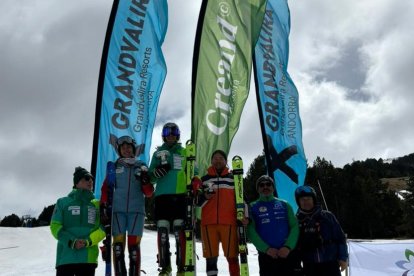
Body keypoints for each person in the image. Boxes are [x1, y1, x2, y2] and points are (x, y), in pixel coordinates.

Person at [100, 135, 153, 276]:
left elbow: (148, 193)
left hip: (136, 211)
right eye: (123, 148)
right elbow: (106, 188)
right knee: (118, 247)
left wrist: (145, 180)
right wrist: (103, 205)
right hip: (118, 211)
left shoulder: (141, 166)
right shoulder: (114, 166)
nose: (126, 149)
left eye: (129, 147)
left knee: (134, 248)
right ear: (119, 150)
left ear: (133, 149)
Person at [148, 122, 188, 276]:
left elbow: (194, 171)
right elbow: (150, 178)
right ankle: (165, 267)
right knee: (163, 231)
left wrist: (196, 181)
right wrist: (155, 173)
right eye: (167, 131)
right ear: (163, 135)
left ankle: (181, 267)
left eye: (174, 131)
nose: (170, 134)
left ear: (177, 134)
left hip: (180, 195)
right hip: (162, 196)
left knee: (179, 230)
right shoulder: (158, 153)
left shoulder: (185, 151)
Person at [50, 166, 106, 276]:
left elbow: (102, 229)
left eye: (91, 179)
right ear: (77, 183)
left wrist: (87, 241)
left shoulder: (97, 204)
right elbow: (55, 226)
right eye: (86, 178)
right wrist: (72, 242)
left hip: (88, 259)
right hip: (65, 259)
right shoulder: (62, 202)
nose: (90, 181)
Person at [196, 149, 240, 276]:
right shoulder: (204, 180)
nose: (218, 160)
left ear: (226, 161)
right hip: (208, 224)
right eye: (215, 158)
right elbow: (197, 202)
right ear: (211, 161)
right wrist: (206, 197)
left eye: (221, 158)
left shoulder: (233, 179)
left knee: (232, 257)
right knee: (211, 258)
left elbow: (242, 200)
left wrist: (245, 217)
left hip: (229, 223)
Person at [247, 175, 299, 276]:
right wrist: (266, 249)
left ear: (273, 187)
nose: (265, 187)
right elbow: (250, 230)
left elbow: (294, 226)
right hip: (266, 255)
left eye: (268, 184)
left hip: (287, 254)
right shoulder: (252, 207)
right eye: (261, 185)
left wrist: (287, 247)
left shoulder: (285, 204)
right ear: (258, 189)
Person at [294, 185, 348, 276]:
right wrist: (296, 265)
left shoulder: (327, 216)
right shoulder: (296, 221)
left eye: (308, 199)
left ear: (313, 200)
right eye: (303, 199)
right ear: (298, 202)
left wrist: (343, 258)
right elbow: (294, 246)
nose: (306, 202)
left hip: (330, 263)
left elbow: (340, 238)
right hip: (309, 265)